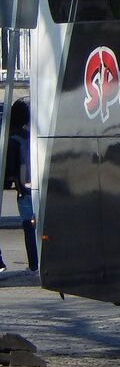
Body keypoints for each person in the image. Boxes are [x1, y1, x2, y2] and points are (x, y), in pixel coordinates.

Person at [6, 99, 35, 272]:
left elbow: (10, 171)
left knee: (28, 227)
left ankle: (33, 264)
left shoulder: (12, 141)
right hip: (37, 187)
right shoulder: (30, 138)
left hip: (23, 189)